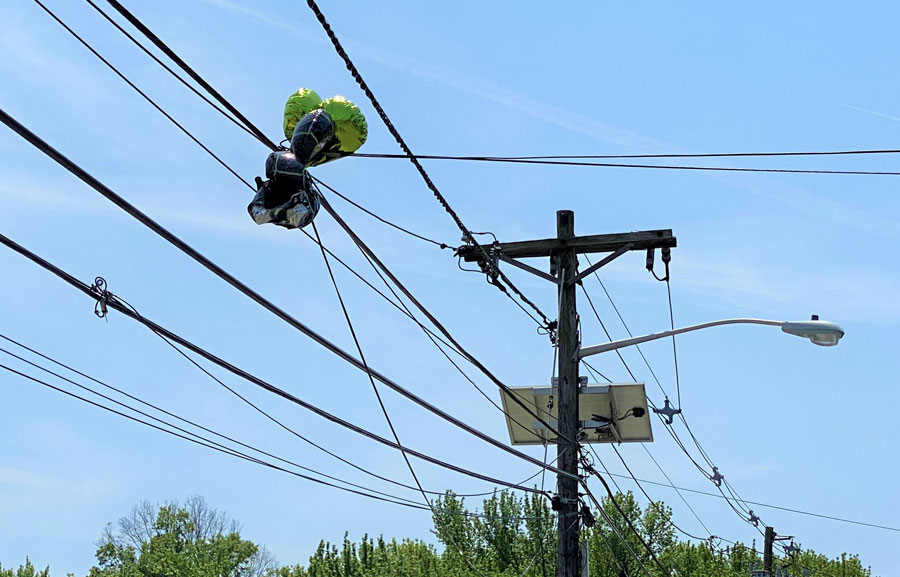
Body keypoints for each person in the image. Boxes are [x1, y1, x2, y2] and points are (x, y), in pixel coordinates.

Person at [247, 88, 367, 230]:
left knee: (278, 166)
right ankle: (284, 207)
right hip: (289, 181)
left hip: (290, 178)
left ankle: (286, 207)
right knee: (279, 168)